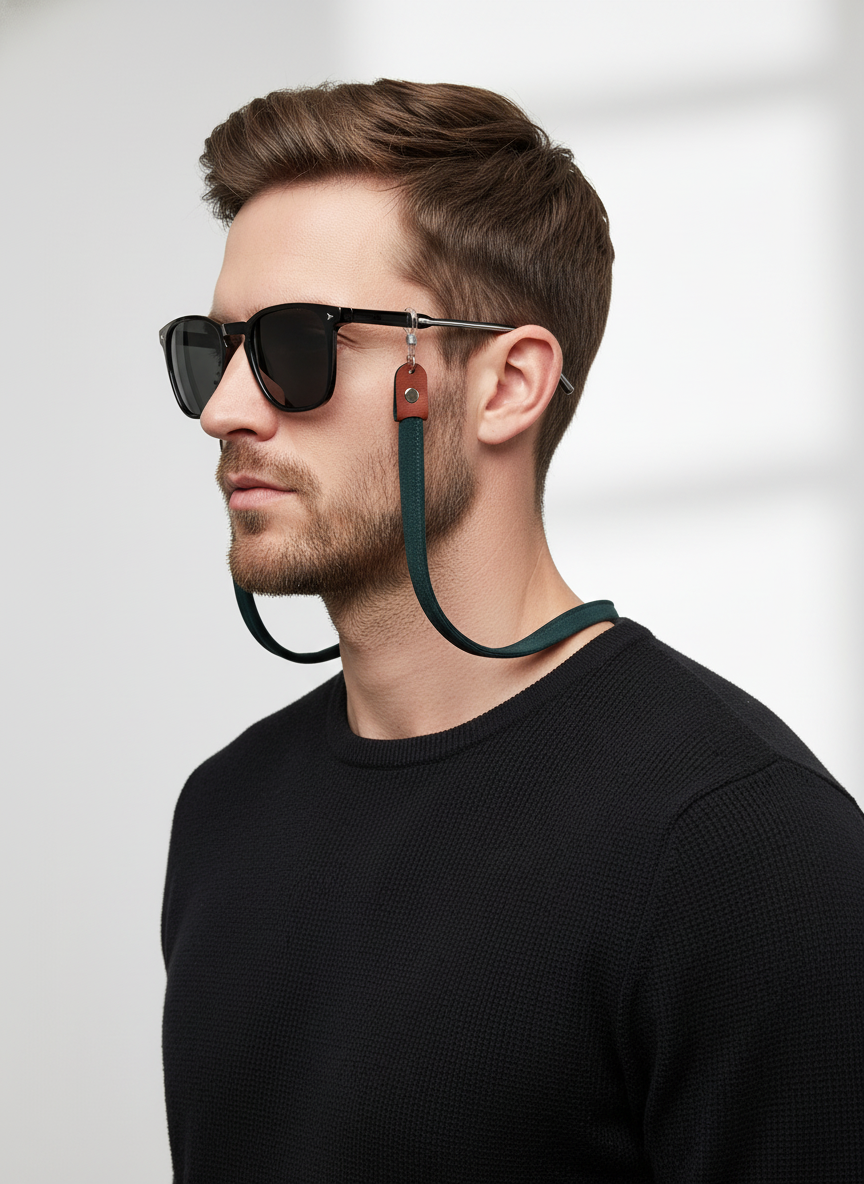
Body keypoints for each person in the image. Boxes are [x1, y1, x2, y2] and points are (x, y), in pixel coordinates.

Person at [159, 79, 864, 1182]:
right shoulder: (224, 813)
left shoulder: (741, 849)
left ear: (507, 385)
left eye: (295, 346)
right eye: (216, 348)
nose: (223, 410)